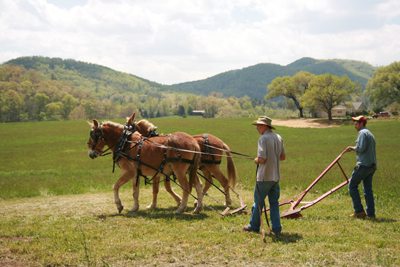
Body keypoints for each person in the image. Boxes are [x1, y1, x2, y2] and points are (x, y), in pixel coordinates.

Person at [243, 116, 286, 235]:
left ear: (265, 126)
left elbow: (262, 159)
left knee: (258, 202)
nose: (257, 128)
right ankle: (277, 228)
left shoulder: (263, 139)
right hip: (275, 177)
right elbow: (282, 157)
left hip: (264, 177)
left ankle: (253, 226)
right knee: (274, 203)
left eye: (259, 125)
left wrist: (256, 160)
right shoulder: (278, 137)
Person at [345, 115, 376, 219]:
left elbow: (361, 148)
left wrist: (353, 148)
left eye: (356, 122)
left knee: (352, 186)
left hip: (363, 165)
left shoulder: (362, 133)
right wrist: (353, 148)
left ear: (362, 123)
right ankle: (371, 214)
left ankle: (359, 211)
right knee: (367, 190)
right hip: (372, 166)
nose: (355, 124)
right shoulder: (369, 133)